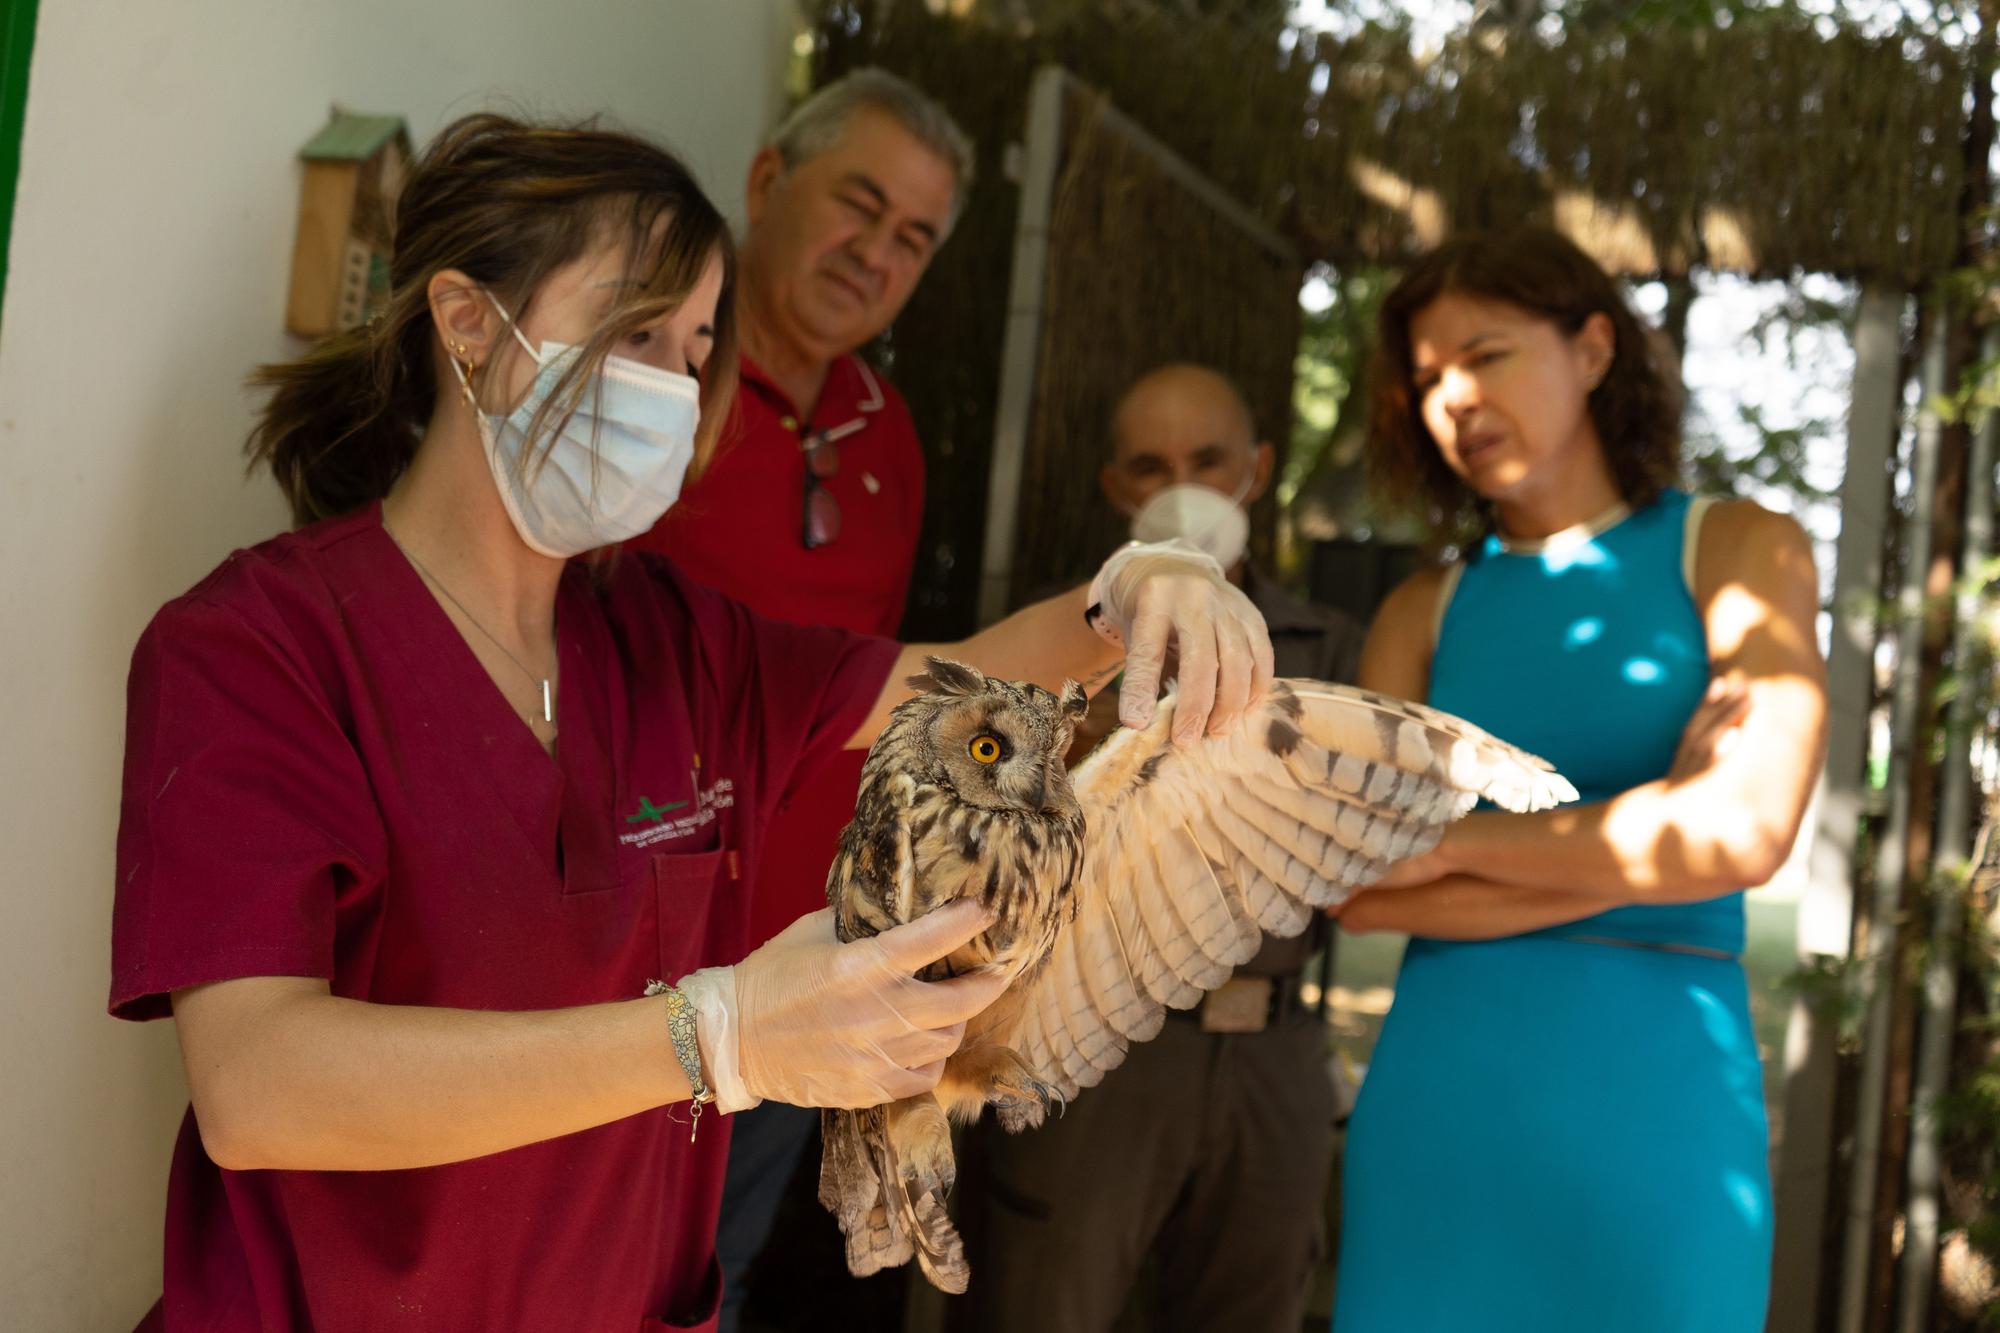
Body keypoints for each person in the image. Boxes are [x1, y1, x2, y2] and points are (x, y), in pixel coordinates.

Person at [107, 113, 1272, 1333]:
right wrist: (709, 1036)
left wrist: (1128, 589)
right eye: (632, 329)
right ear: (466, 322)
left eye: (692, 346)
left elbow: (962, 681)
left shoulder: (675, 644)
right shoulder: (256, 648)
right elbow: (258, 1085)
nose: (666, 385)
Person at [1328, 226, 1827, 1332]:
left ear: (1592, 348)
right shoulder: (1423, 612)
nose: (1453, 396)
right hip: (1439, 1107)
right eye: (1424, 378)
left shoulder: (1741, 549)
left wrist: (1444, 842)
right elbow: (1350, 885)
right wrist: (1653, 837)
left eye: (1485, 353)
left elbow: (1742, 832)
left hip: (1661, 1114)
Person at [617, 71, 969, 1328]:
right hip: (614, 957)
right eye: (855, 206)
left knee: (708, 1284)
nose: (873, 254)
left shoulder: (891, 436)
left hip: (799, 960)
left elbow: (871, 695)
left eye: (911, 238)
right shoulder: (654, 386)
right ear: (768, 183)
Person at [965, 363, 1363, 1333]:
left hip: (1269, 1046)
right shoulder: (1052, 642)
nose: (1179, 484)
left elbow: (1353, 855)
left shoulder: (1329, 648)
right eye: (1150, 465)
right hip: (1095, 1044)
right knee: (1043, 1300)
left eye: (1206, 459)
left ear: (1256, 470)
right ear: (1116, 489)